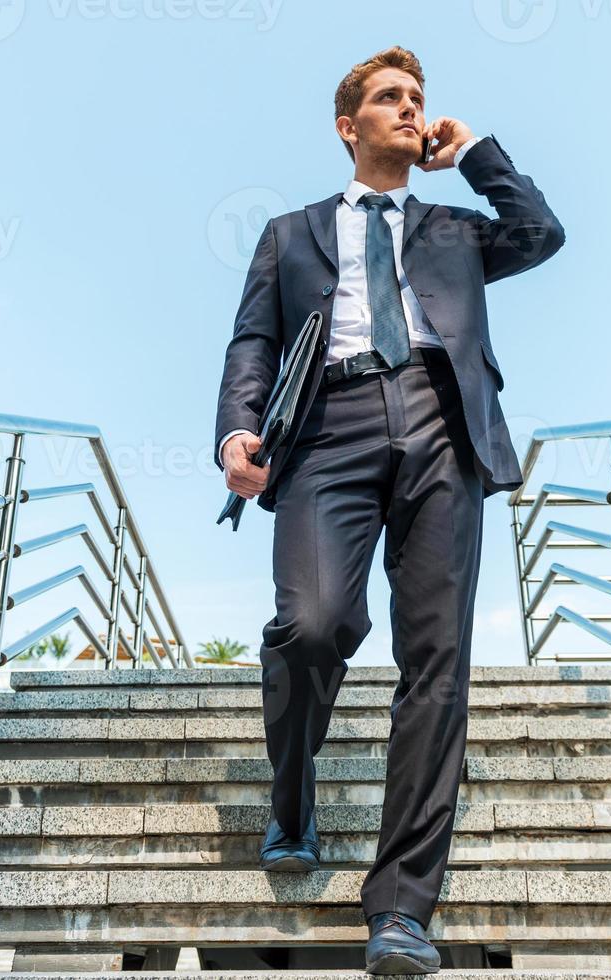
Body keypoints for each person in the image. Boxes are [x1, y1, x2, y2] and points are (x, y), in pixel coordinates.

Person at [212, 45, 564, 975]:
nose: (409, 109)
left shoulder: (453, 228)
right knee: (313, 624)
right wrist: (233, 435)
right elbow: (252, 341)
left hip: (443, 424)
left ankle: (401, 908)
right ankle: (293, 800)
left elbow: (540, 232)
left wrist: (478, 150)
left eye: (418, 99)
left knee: (436, 664)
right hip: (327, 427)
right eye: (388, 98)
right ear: (347, 125)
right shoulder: (291, 233)